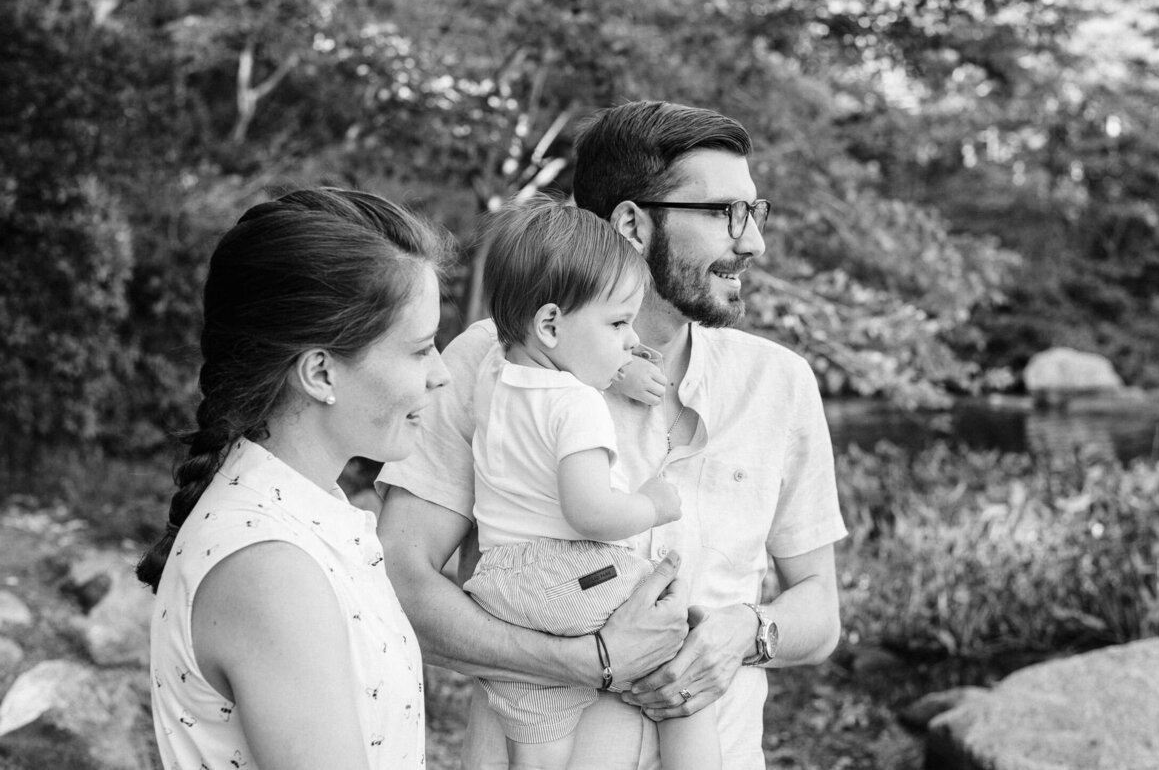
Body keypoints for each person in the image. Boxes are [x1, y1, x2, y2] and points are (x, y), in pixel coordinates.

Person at [377, 100, 847, 769]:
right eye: (724, 213)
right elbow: (400, 574)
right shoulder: (491, 361)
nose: (752, 241)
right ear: (631, 222)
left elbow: (821, 610)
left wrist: (748, 629)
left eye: (754, 211)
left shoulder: (779, 383)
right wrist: (582, 661)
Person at [136, 188, 452, 770]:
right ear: (320, 371)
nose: (442, 375)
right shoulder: (271, 568)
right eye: (420, 349)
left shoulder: (303, 512)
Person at [462, 198, 720, 770]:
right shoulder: (578, 403)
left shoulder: (492, 371)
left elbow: (553, 364)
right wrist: (651, 505)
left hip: (503, 584)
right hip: (572, 575)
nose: (630, 339)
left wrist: (616, 365)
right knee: (684, 651)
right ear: (551, 324)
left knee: (540, 717)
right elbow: (591, 512)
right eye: (619, 323)